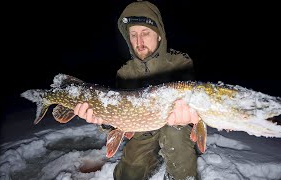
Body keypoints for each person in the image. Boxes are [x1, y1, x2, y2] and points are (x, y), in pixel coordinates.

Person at [74, 1, 200, 179]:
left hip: (175, 129)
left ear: (159, 35)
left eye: (145, 33)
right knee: (127, 175)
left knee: (174, 135)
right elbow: (118, 114)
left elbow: (193, 102)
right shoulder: (124, 72)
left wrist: (189, 118)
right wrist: (105, 121)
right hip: (143, 131)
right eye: (133, 35)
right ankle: (154, 160)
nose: (139, 42)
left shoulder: (180, 62)